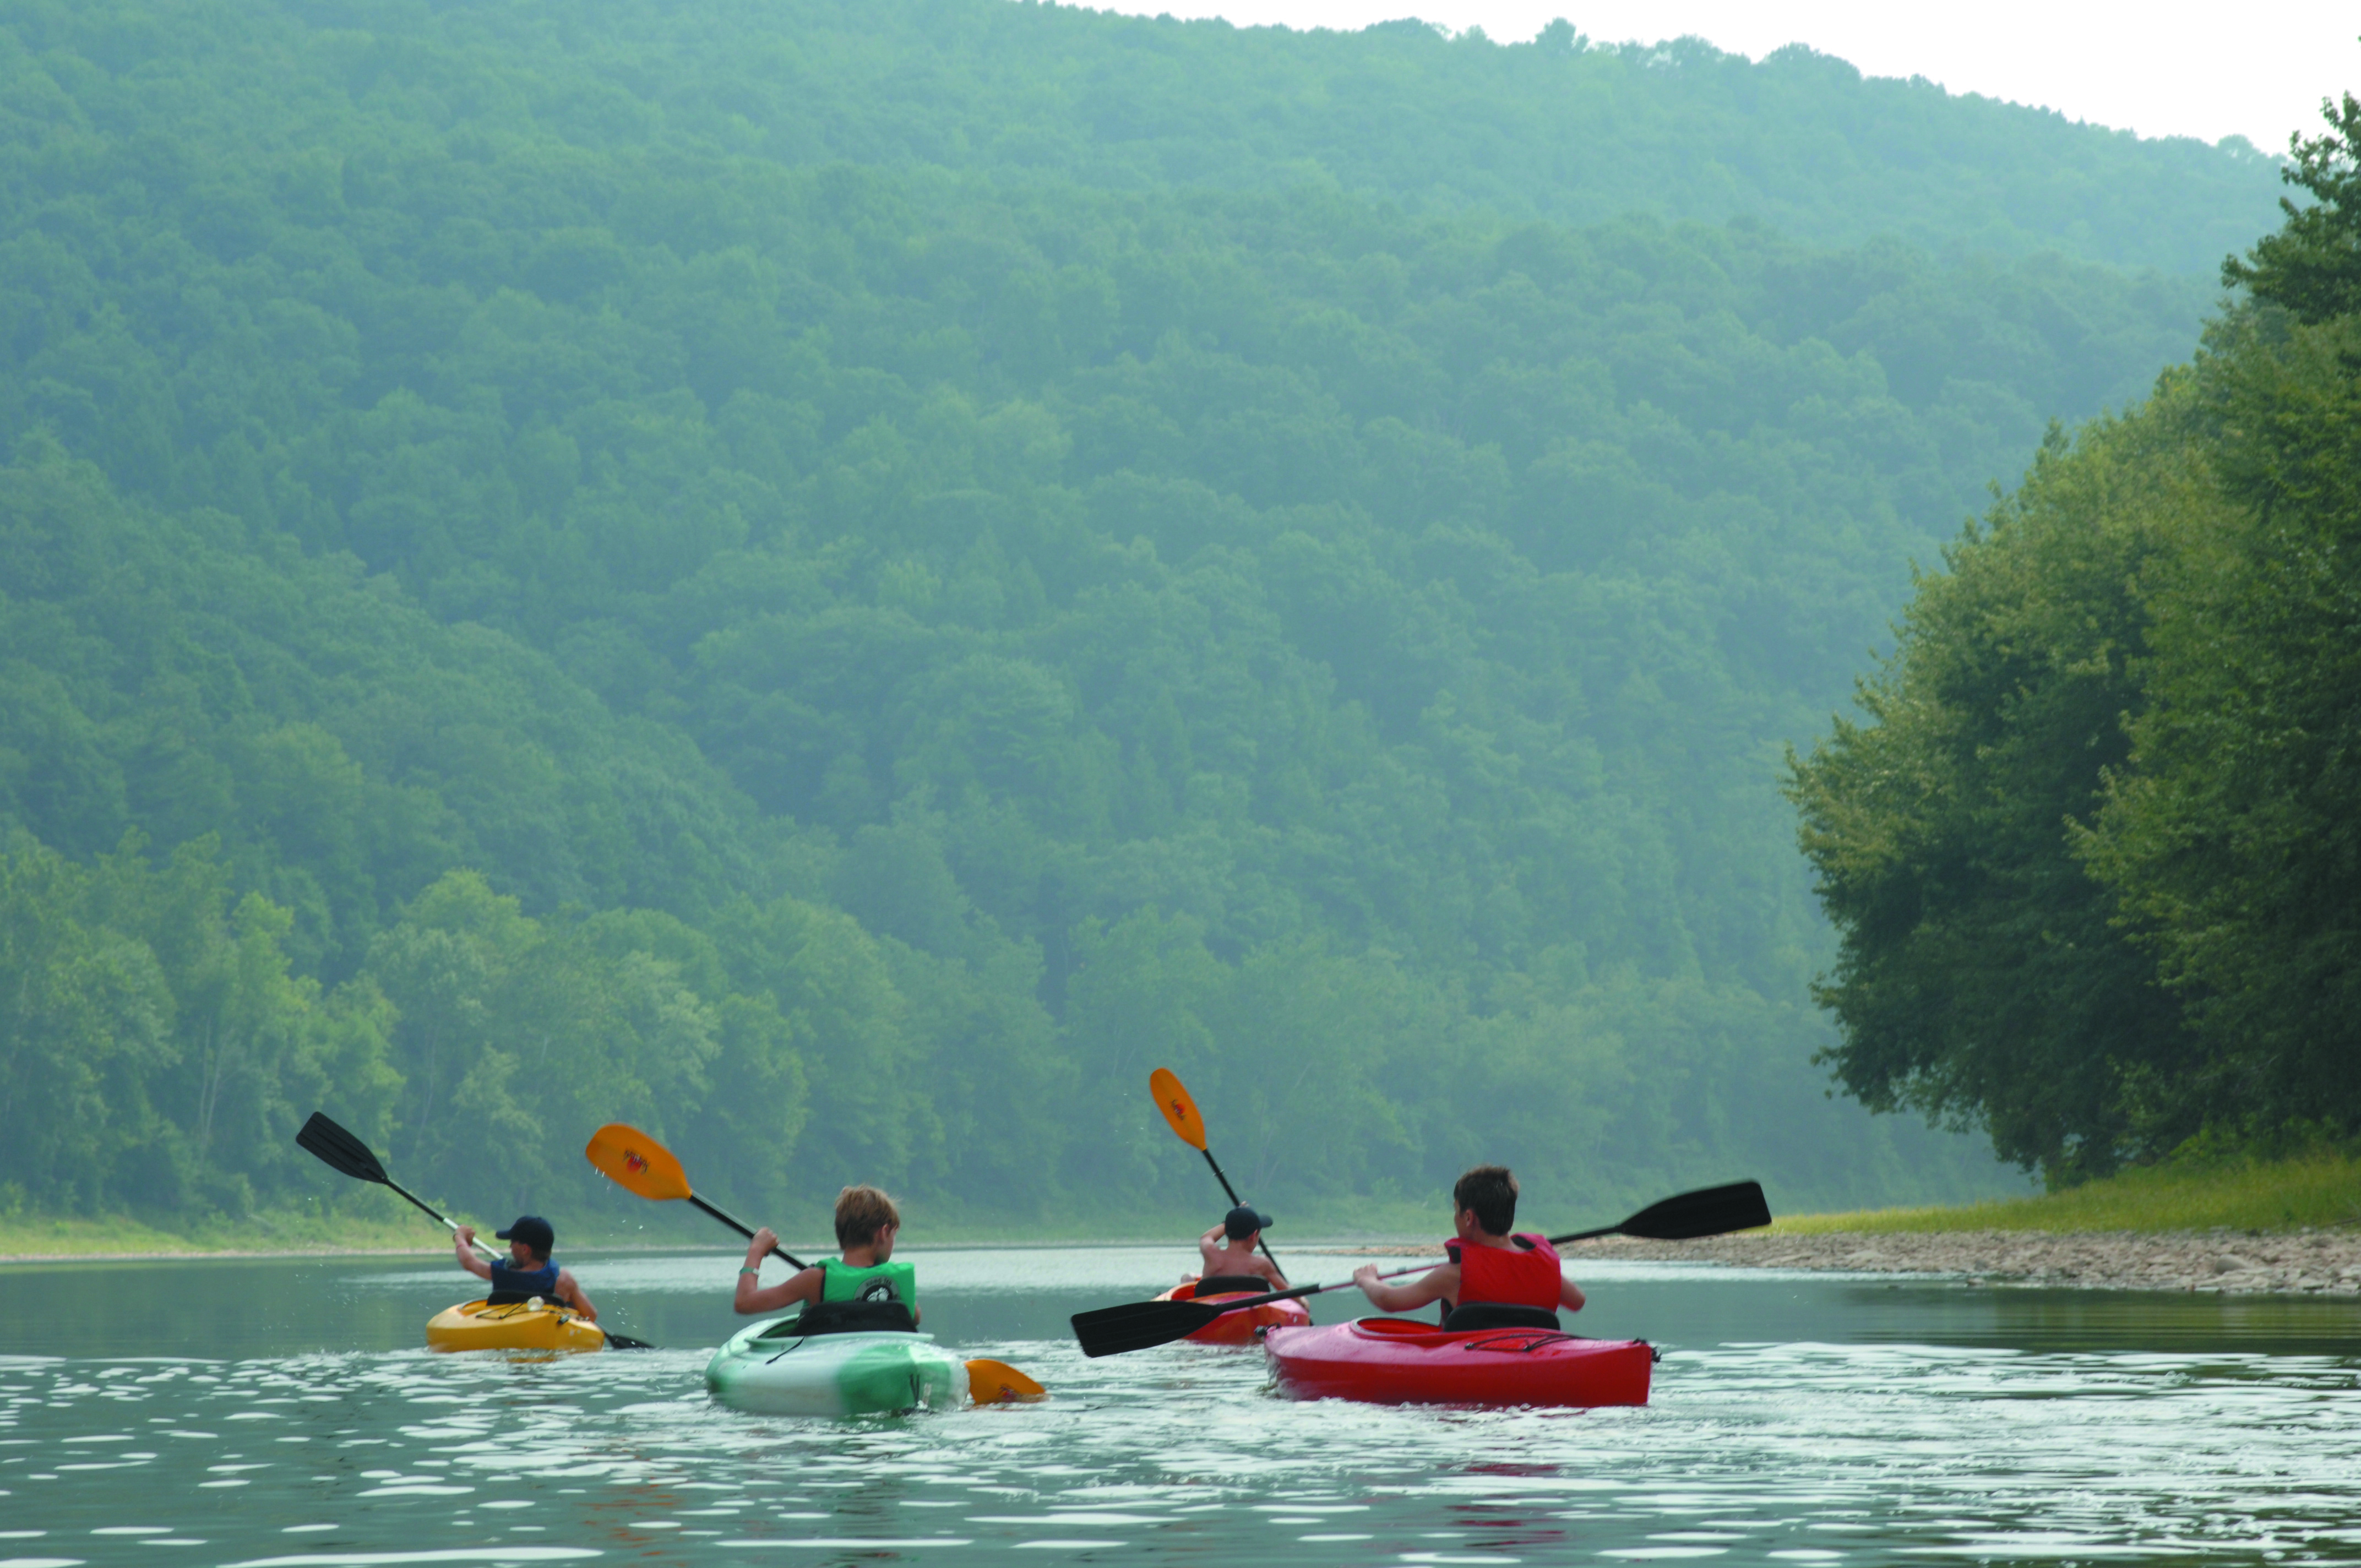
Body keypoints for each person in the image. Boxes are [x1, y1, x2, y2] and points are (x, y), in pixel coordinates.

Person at [1351, 1165, 1584, 1323]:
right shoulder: (1544, 1271)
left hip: (1473, 1367)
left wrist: (1368, 1280)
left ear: (1469, 1218)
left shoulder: (1453, 1276)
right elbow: (1578, 1301)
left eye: (1456, 1211)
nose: (1455, 1218)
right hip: (1531, 1360)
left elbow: (1389, 1301)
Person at [736, 1184, 920, 1326]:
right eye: (894, 1235)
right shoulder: (897, 1284)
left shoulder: (814, 1279)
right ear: (884, 1232)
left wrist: (756, 1251)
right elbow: (916, 1316)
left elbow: (745, 1303)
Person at [455, 1215, 597, 1320]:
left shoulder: (503, 1274)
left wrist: (460, 1236)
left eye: (513, 1242)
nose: (510, 1246)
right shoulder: (564, 1280)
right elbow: (591, 1315)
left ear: (525, 1250)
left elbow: (469, 1262)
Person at [1193, 1204, 1287, 1291]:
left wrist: (1232, 1222)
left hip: (1212, 1309)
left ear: (1227, 1231)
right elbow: (1287, 1291)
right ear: (1254, 1235)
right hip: (1248, 1309)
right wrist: (1303, 1303)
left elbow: (1206, 1237)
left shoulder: (1211, 1254)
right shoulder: (1262, 1264)